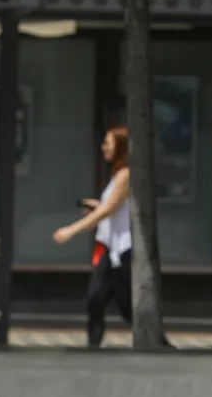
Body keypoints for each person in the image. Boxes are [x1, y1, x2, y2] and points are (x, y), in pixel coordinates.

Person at [53, 125, 132, 348]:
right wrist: (96, 208)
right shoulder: (117, 174)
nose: (104, 147)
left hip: (121, 251)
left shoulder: (126, 175)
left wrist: (71, 230)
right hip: (108, 249)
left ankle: (157, 342)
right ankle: (93, 346)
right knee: (95, 298)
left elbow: (108, 210)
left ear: (121, 146)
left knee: (127, 306)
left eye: (109, 143)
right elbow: (109, 208)